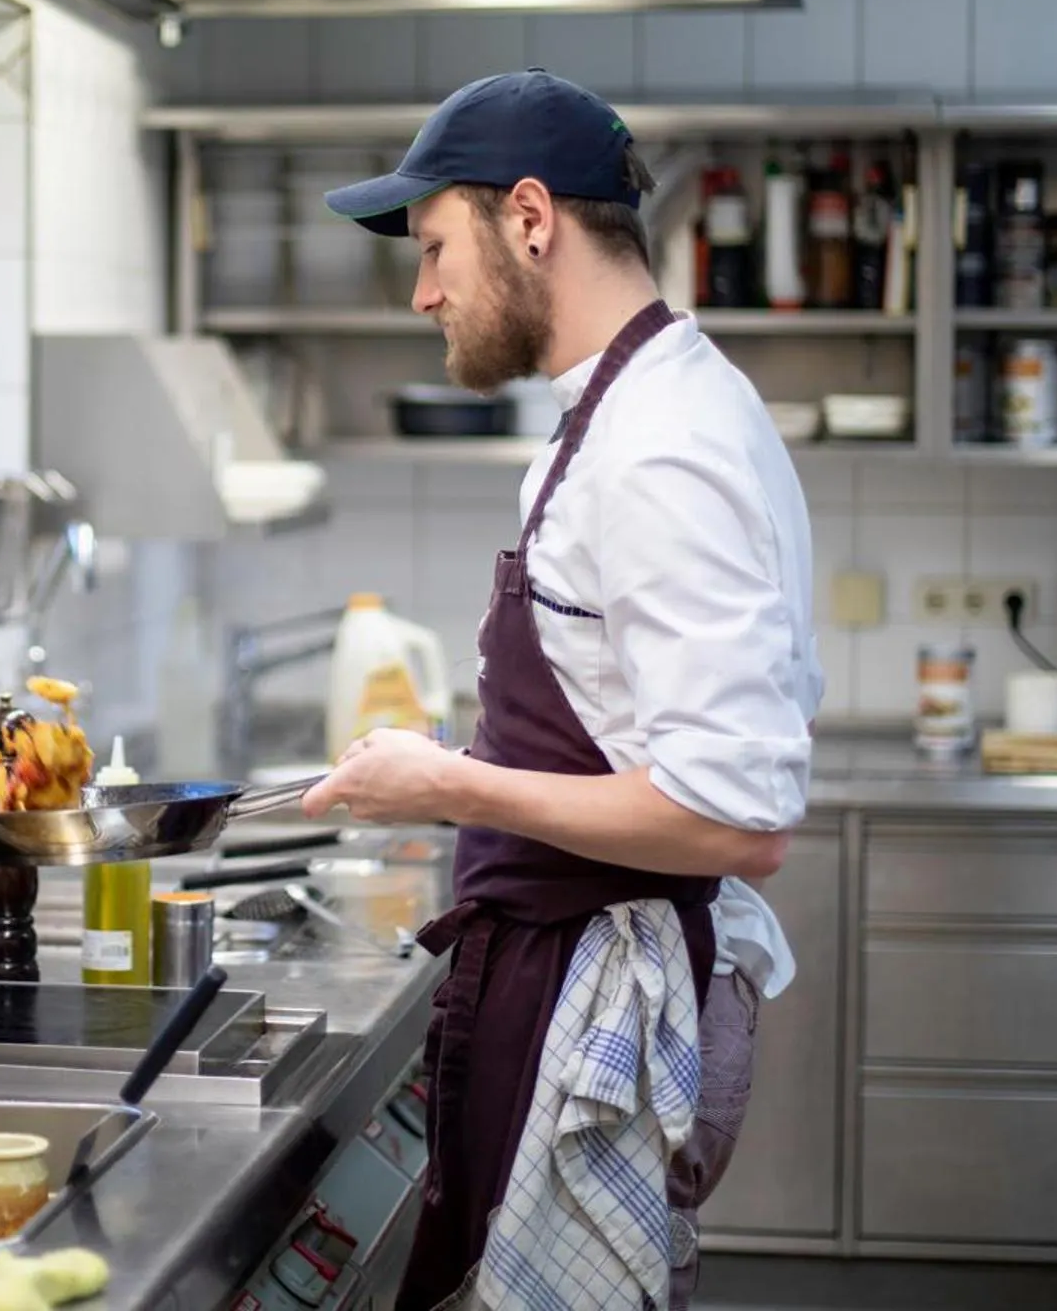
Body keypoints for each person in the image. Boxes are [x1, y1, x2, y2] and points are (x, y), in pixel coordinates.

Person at [305, 69, 819, 1310]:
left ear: (530, 218)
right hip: (551, 962)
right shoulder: (621, 414)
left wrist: (446, 783)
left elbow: (736, 821)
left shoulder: (663, 447)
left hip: (597, 981)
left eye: (434, 248)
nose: (423, 291)